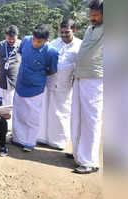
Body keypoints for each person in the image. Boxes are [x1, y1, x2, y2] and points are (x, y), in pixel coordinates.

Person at [67, 0, 103, 174]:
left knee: (91, 119)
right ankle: (78, 154)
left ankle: (89, 161)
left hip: (95, 79)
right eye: (91, 14)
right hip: (80, 77)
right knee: (77, 115)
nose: (92, 18)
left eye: (96, 15)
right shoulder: (90, 28)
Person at [11, 24, 59, 152]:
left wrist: (37, 75)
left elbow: (52, 70)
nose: (35, 43)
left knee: (32, 117)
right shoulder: (26, 40)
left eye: (39, 41)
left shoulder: (51, 52)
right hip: (20, 84)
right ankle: (16, 138)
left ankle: (29, 142)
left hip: (35, 89)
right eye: (34, 39)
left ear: (46, 40)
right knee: (18, 113)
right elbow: (21, 54)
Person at [37, 19, 82, 151]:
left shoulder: (80, 45)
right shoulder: (54, 43)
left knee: (61, 113)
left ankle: (59, 141)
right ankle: (43, 138)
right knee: (45, 110)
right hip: (49, 82)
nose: (63, 35)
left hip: (65, 85)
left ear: (73, 30)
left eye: (66, 32)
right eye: (61, 32)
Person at [0, 25, 21, 106]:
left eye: (13, 38)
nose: (10, 40)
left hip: (14, 83)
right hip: (1, 81)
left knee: (12, 107)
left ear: (17, 36)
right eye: (8, 38)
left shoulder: (21, 45)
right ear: (5, 36)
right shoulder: (0, 45)